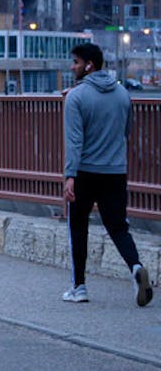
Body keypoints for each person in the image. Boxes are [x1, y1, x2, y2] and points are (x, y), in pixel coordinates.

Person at [61, 42, 152, 306]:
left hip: (85, 172)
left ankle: (79, 287)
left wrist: (70, 175)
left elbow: (74, 141)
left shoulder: (76, 97)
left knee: (78, 227)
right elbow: (126, 132)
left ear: (89, 65)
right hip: (115, 171)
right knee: (118, 227)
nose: (72, 66)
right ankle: (135, 267)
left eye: (76, 62)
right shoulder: (123, 94)